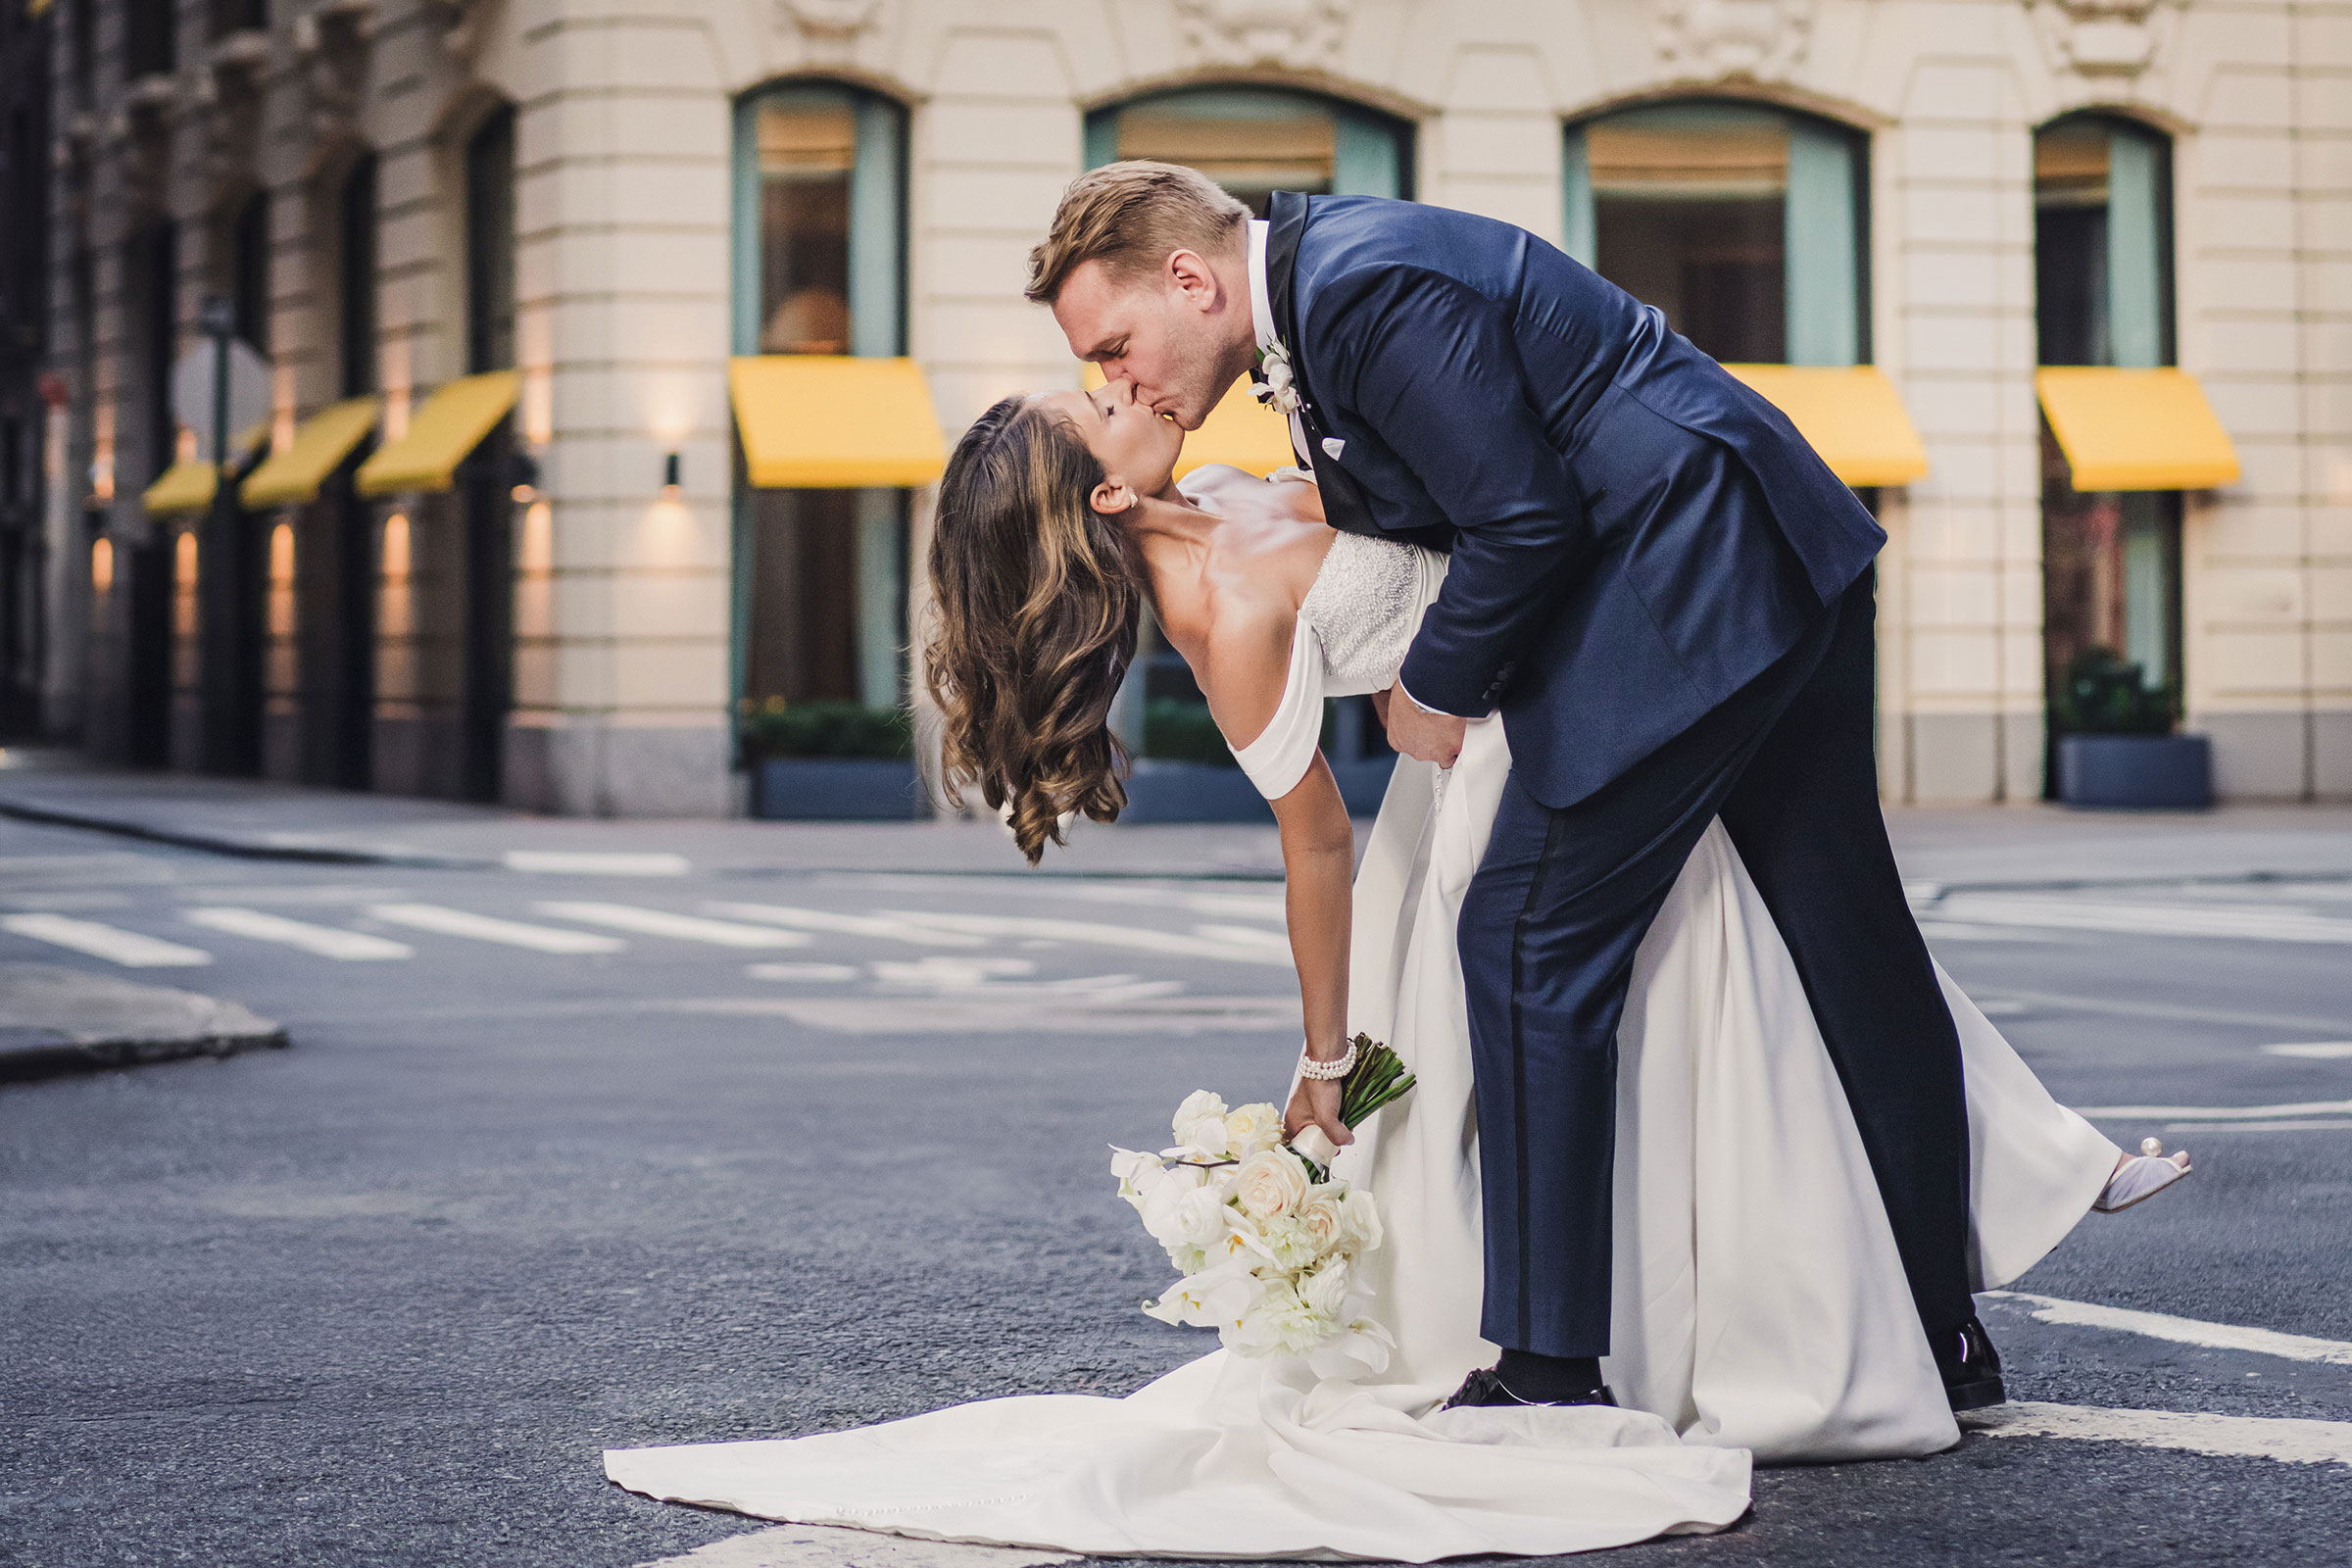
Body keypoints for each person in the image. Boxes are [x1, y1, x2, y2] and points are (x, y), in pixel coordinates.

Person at [604, 368, 2190, 1559]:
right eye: (1092, 404)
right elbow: (1316, 842)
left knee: (1771, 967)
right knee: (1727, 997)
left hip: (1581, 719)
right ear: (1095, 498)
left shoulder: (1239, 474)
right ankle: (1862, 1277)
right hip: (1491, 798)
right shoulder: (1216, 607)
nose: (1121, 387)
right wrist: (1325, 1063)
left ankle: (1997, 1190)